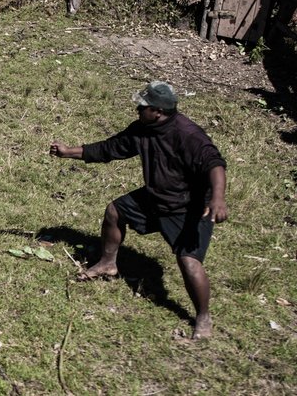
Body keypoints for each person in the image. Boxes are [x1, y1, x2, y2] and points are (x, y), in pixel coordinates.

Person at [49, 81, 228, 339]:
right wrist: (69, 152)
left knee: (188, 262)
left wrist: (218, 199)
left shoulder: (188, 134)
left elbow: (214, 164)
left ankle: (203, 317)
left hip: (189, 208)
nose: (137, 109)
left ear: (157, 111)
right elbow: (110, 148)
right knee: (114, 211)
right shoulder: (143, 129)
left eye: (142, 106)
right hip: (156, 197)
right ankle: (108, 264)